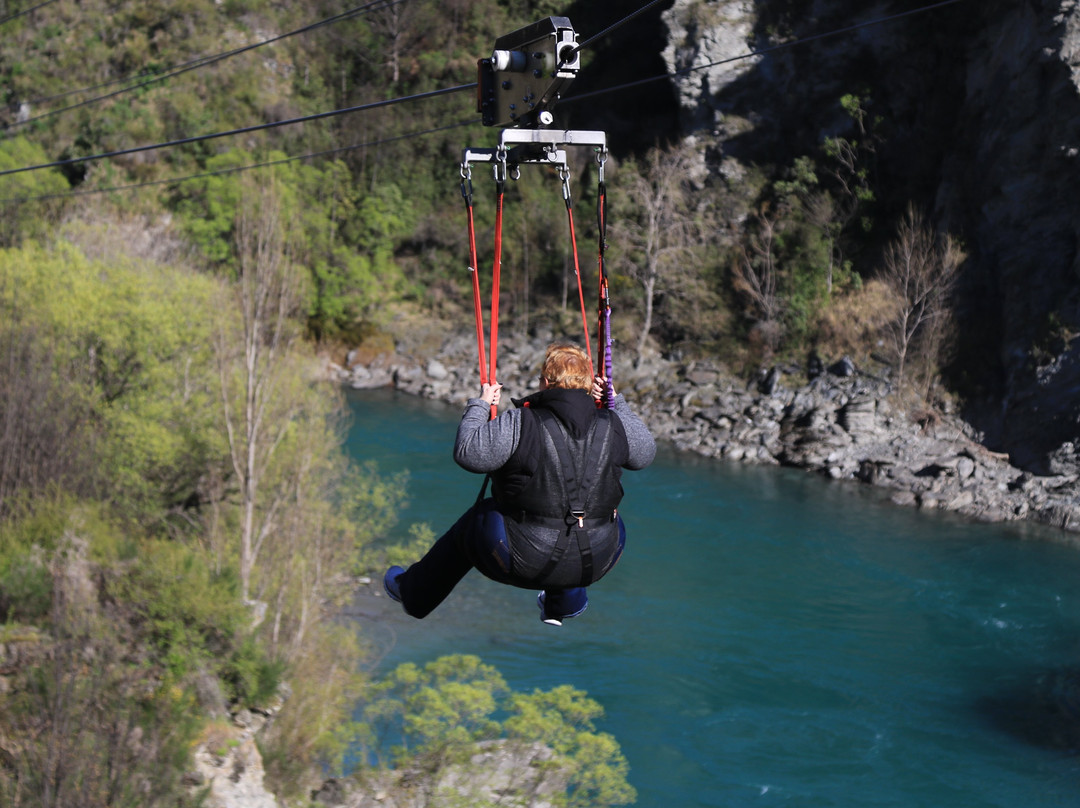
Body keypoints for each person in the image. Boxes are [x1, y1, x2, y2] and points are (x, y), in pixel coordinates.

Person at [383, 342, 656, 625]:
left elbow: (470, 455)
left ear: (546, 382)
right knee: (588, 513)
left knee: (478, 518)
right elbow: (645, 454)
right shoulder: (612, 422)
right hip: (596, 560)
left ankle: (414, 594)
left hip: (519, 558)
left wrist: (481, 405)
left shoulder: (521, 421)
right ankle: (563, 604)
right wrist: (616, 403)